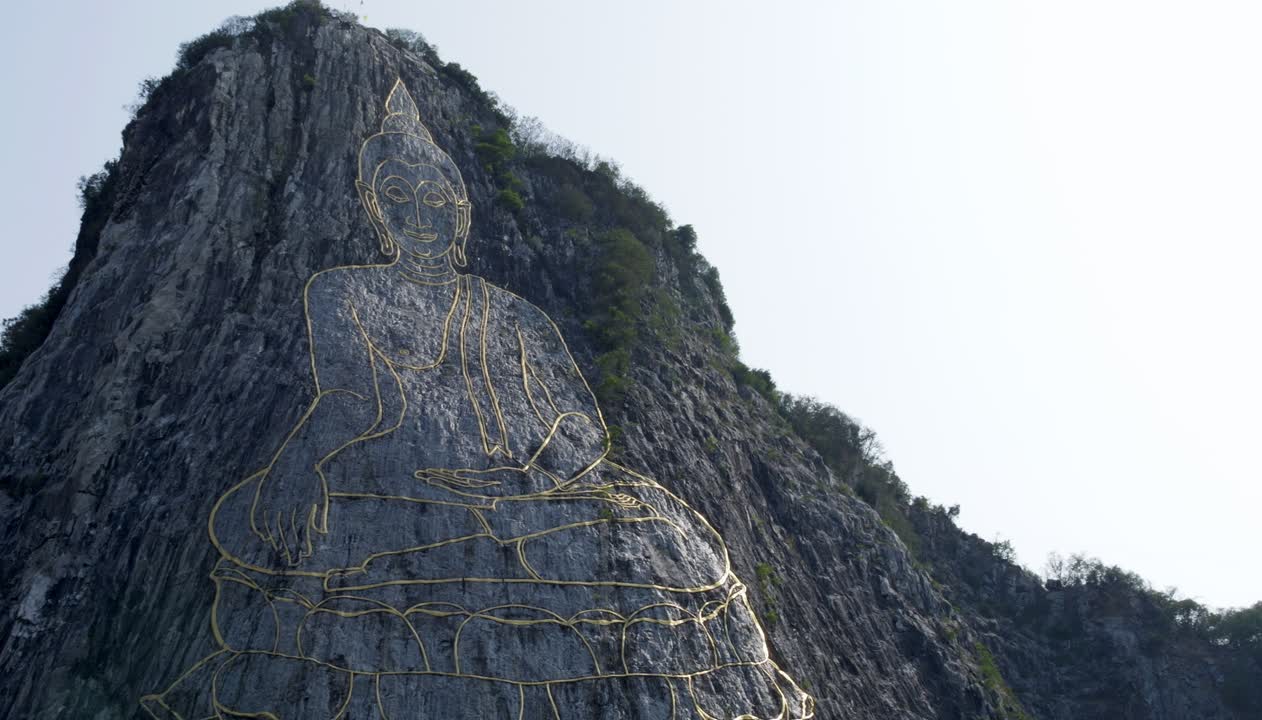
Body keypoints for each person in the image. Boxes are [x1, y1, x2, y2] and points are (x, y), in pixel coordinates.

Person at [142, 79, 813, 720]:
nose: (419, 214)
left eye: (437, 199)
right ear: (376, 210)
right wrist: (296, 466)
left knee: (652, 534)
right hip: (396, 483)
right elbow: (351, 398)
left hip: (525, 493)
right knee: (290, 525)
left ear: (460, 212)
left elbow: (581, 421)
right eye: (398, 197)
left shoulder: (515, 314)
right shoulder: (341, 291)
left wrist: (528, 476)